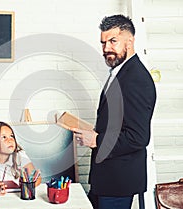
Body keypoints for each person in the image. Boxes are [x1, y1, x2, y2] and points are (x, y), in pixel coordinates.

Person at [72, 14, 156, 209]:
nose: (106, 48)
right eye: (103, 43)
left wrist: (96, 140)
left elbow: (138, 137)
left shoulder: (137, 80)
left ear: (130, 41)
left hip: (118, 182)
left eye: (113, 41)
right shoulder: (120, 72)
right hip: (106, 179)